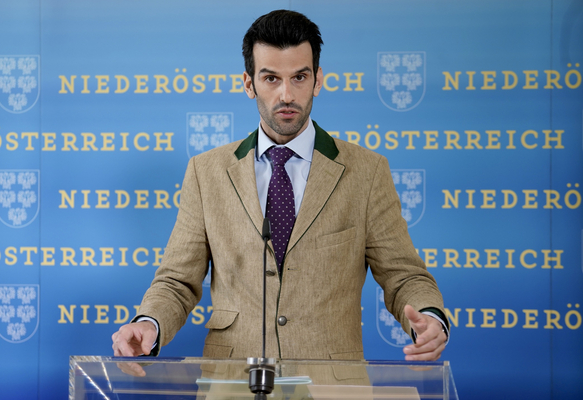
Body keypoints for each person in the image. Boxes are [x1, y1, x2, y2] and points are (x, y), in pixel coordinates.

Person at [112, 10, 448, 371]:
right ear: (249, 84)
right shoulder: (206, 172)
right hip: (232, 382)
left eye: (299, 77)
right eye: (271, 78)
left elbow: (403, 275)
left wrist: (430, 316)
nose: (287, 95)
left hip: (331, 383)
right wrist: (149, 323)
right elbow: (177, 281)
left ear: (317, 80)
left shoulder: (366, 172)